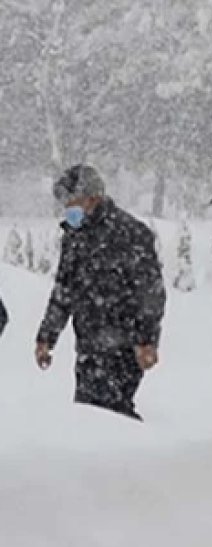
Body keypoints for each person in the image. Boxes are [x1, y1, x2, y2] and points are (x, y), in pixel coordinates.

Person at [36, 165, 166, 421]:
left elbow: (150, 294)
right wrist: (46, 338)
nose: (68, 210)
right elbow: (64, 290)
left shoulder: (131, 234)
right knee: (89, 416)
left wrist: (146, 340)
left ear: (92, 198)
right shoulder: (74, 236)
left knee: (113, 414)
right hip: (88, 347)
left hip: (124, 347)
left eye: (72, 202)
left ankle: (140, 456)